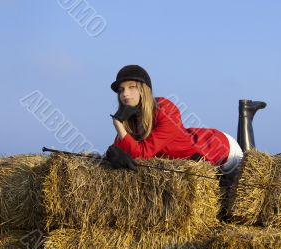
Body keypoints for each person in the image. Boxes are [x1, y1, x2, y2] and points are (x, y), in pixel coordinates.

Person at [106, 65, 266, 177]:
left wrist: (118, 124)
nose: (125, 94)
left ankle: (246, 112)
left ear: (144, 90)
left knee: (247, 171)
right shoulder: (130, 120)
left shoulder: (166, 109)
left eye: (131, 87)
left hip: (218, 149)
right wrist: (112, 153)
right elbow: (122, 149)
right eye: (121, 90)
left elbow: (141, 154)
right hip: (195, 163)